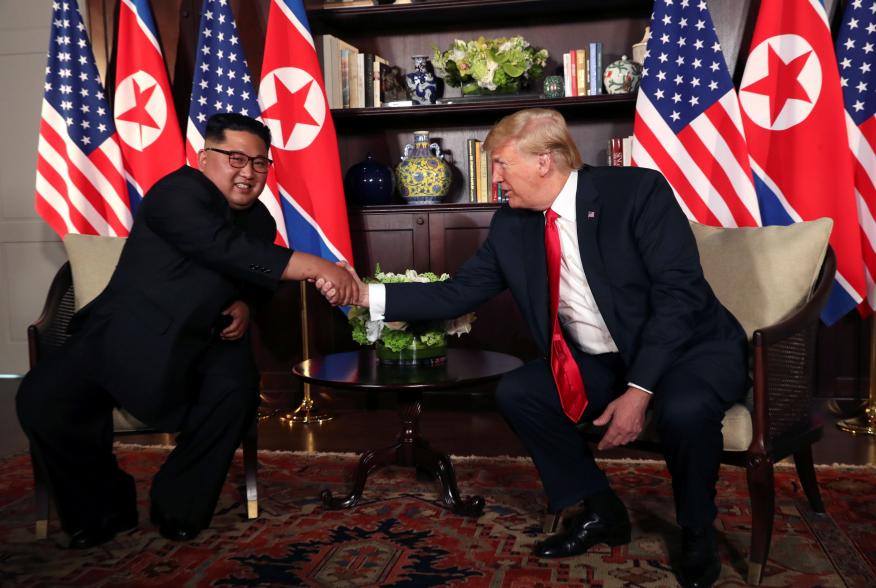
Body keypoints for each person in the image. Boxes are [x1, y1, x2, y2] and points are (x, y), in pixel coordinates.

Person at [324, 109, 746, 588]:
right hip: (603, 356)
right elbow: (456, 293)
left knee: (685, 410)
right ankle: (600, 508)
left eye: (501, 164)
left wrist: (640, 389)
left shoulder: (636, 193)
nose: (495, 177)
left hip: (691, 348)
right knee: (521, 391)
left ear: (545, 161)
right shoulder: (512, 225)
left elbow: (679, 298)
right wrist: (364, 294)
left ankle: (696, 531)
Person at [16, 113, 357, 548]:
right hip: (124, 330)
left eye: (260, 163)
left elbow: (247, 273)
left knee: (235, 392)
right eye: (235, 157)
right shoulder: (175, 193)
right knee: (41, 399)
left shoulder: (260, 220)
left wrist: (246, 305)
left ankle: (179, 504)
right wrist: (321, 267)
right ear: (203, 157)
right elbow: (221, 246)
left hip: (207, 338)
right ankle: (101, 507)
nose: (248, 172)